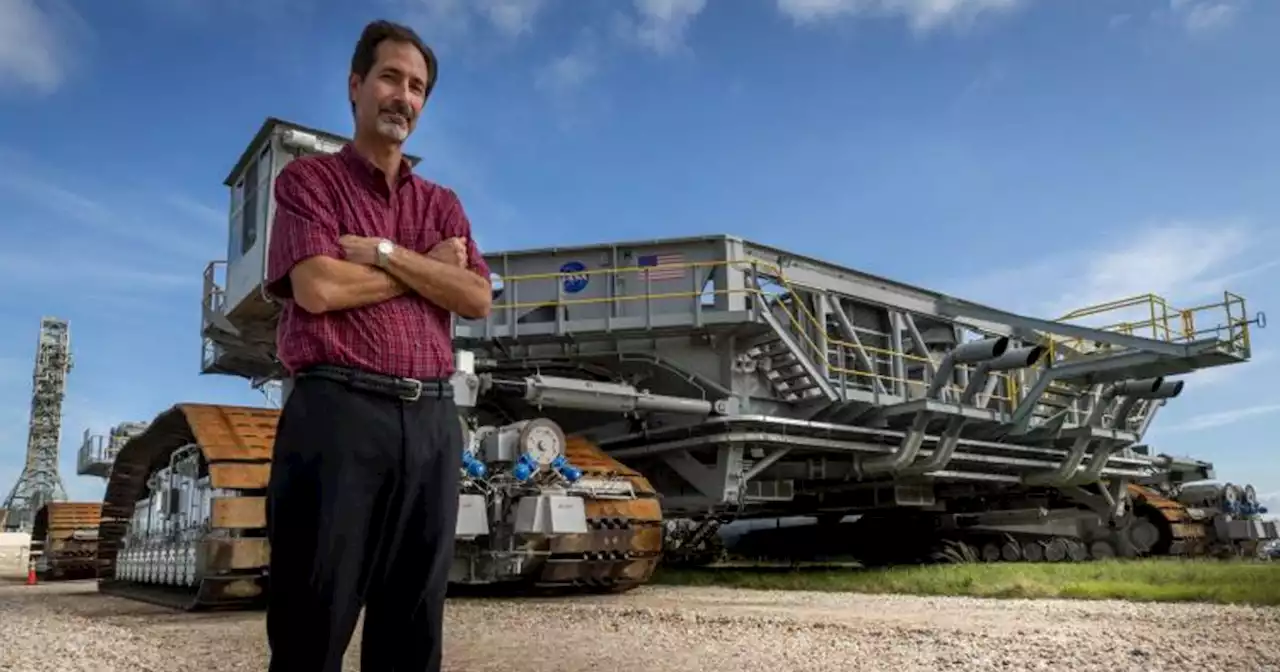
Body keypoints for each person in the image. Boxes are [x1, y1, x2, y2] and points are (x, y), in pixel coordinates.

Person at [261, 19, 492, 672]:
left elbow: (476, 297)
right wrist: (427, 271)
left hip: (431, 423)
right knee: (313, 623)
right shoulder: (309, 184)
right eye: (391, 78)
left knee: (413, 631)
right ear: (356, 85)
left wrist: (391, 255)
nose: (404, 97)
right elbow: (318, 288)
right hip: (337, 413)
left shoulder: (442, 204)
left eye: (417, 87)